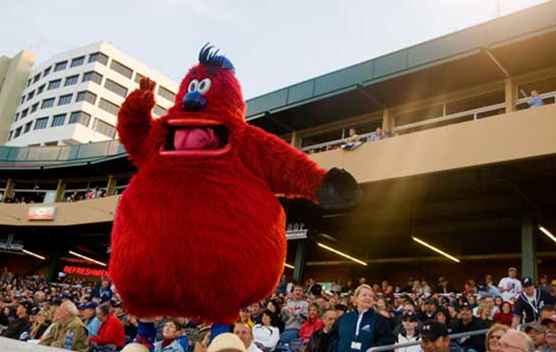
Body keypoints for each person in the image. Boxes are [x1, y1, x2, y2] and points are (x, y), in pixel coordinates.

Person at [334, 284, 394, 351]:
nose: (368, 298)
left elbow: (387, 343)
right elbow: (333, 339)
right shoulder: (344, 318)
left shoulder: (380, 320)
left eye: (371, 296)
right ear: (356, 298)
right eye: (364, 295)